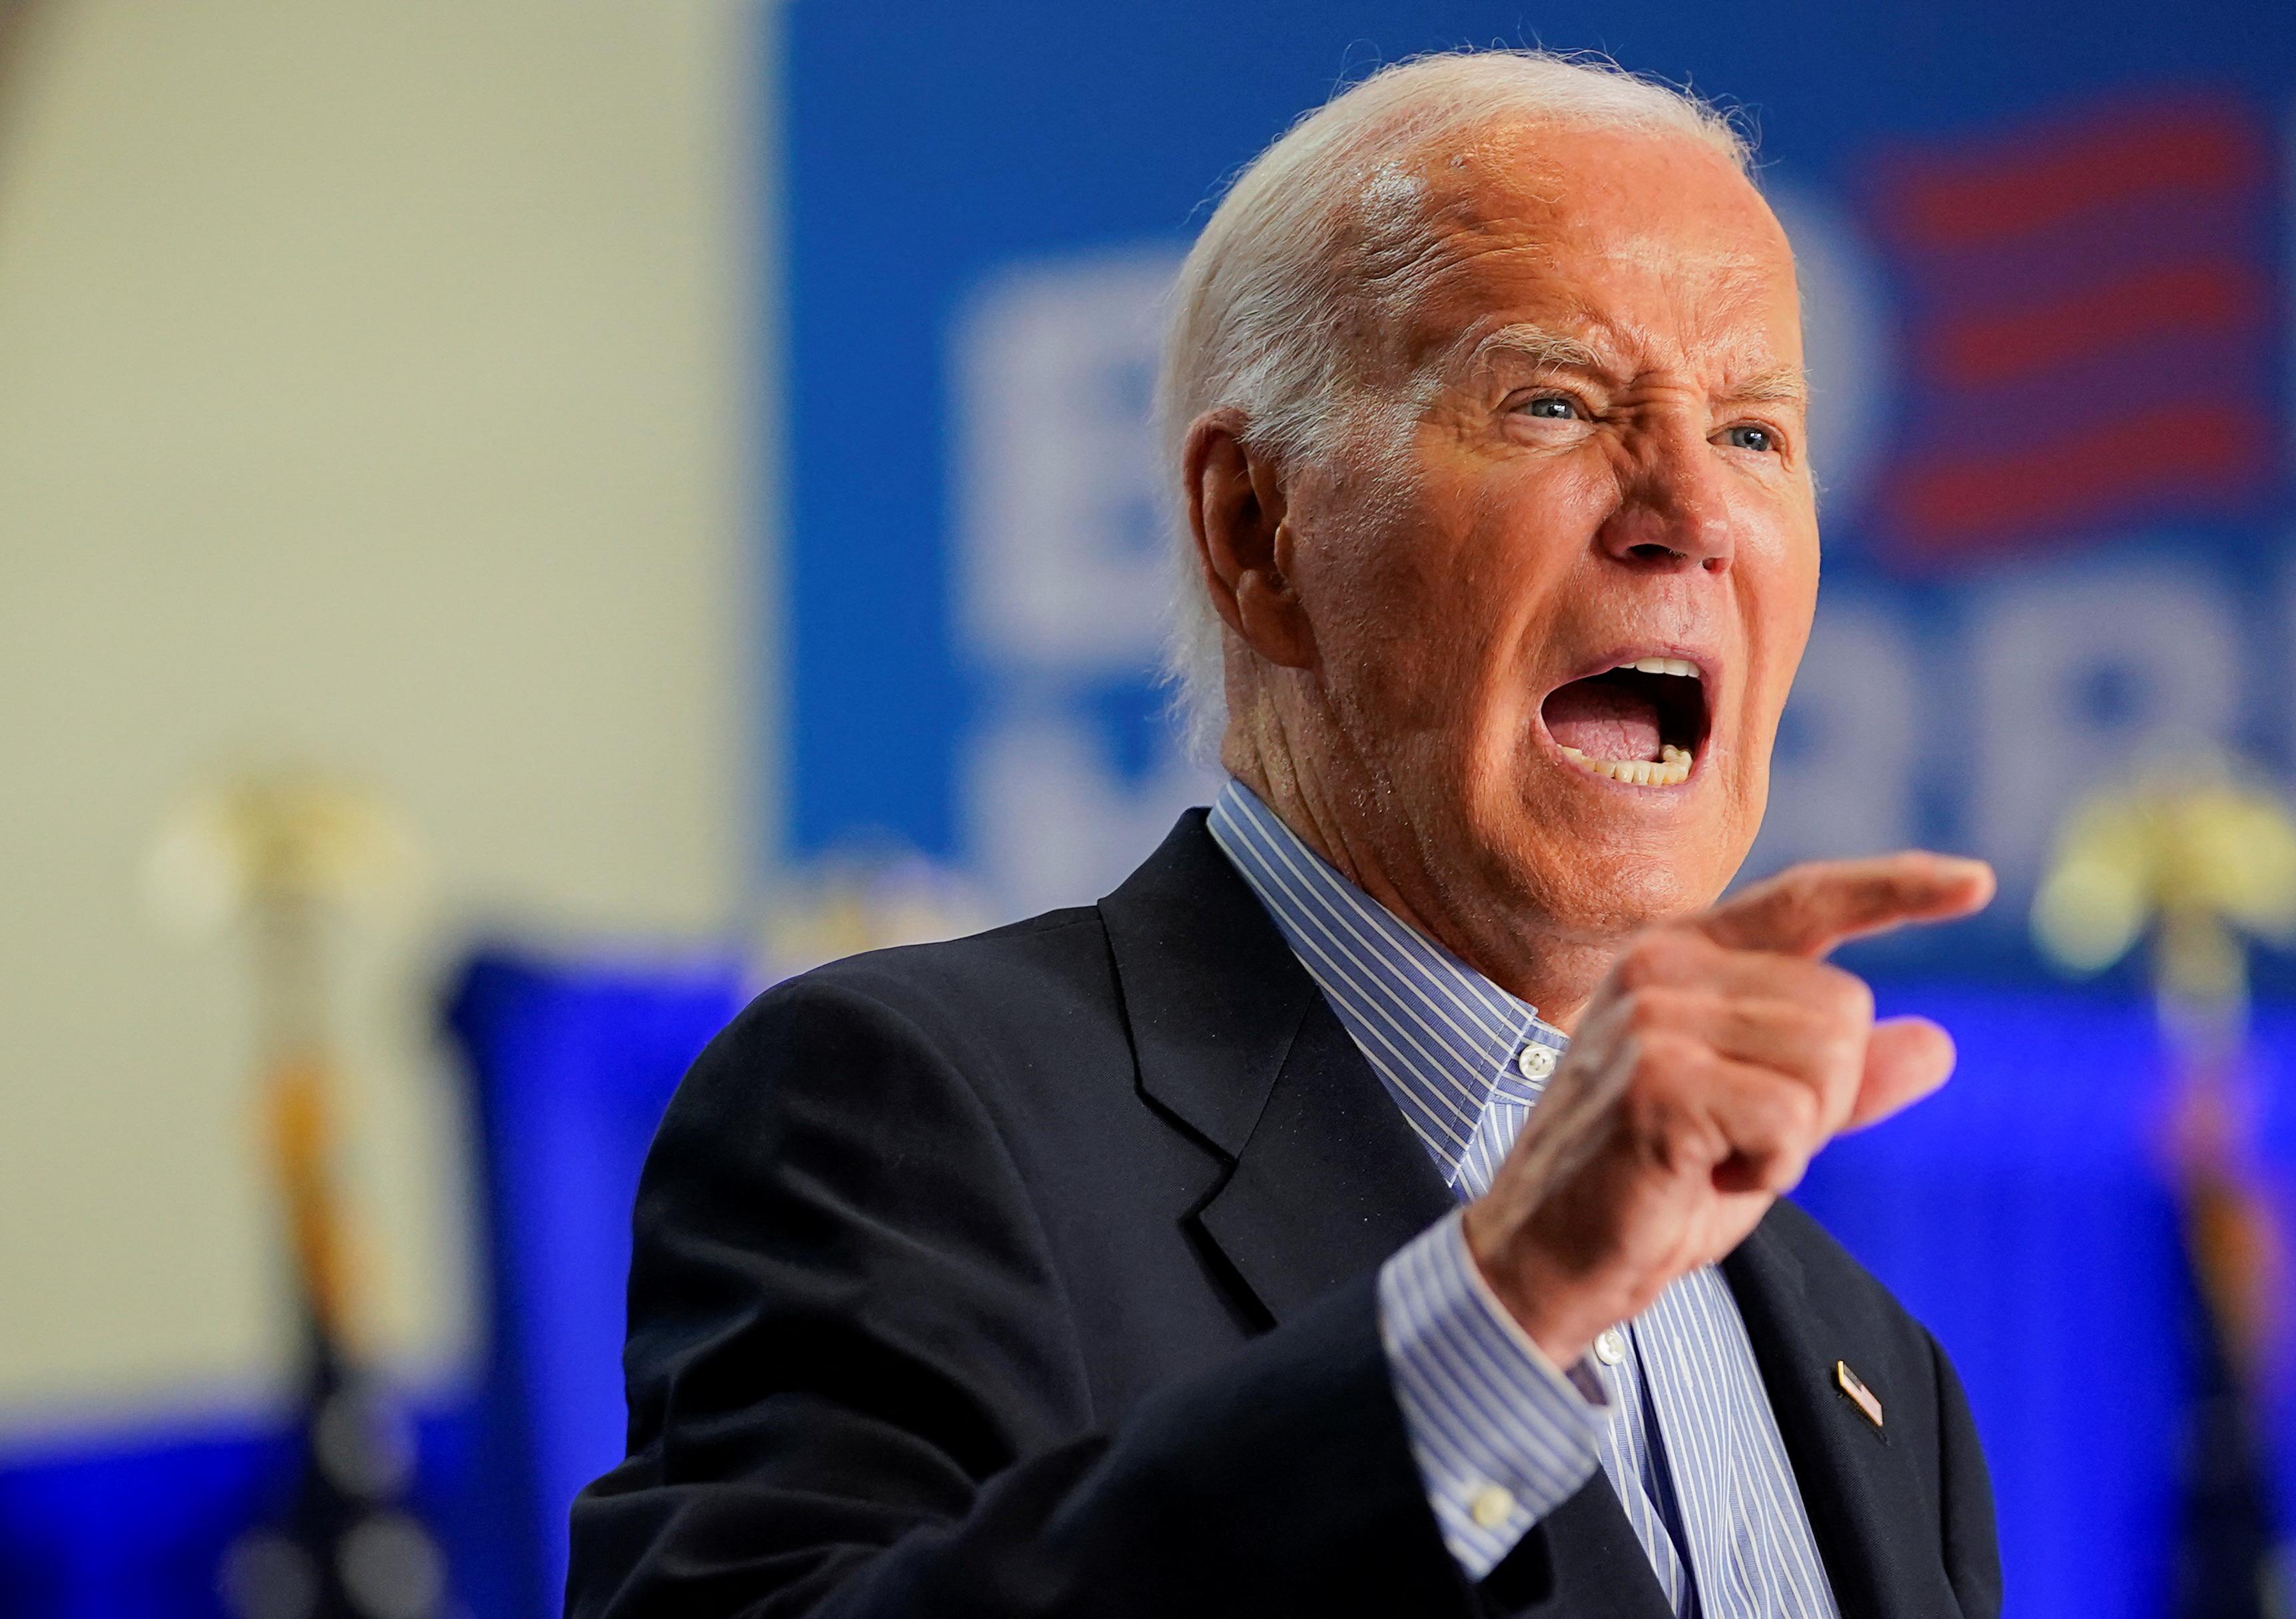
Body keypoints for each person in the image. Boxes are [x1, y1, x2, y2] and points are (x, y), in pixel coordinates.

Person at [568, 49, 2001, 1619]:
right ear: (1258, 532)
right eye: (1551, 400)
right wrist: (1493, 1317)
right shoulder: (910, 1110)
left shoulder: (1876, 1373)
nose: (1689, 511)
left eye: (1752, 433)